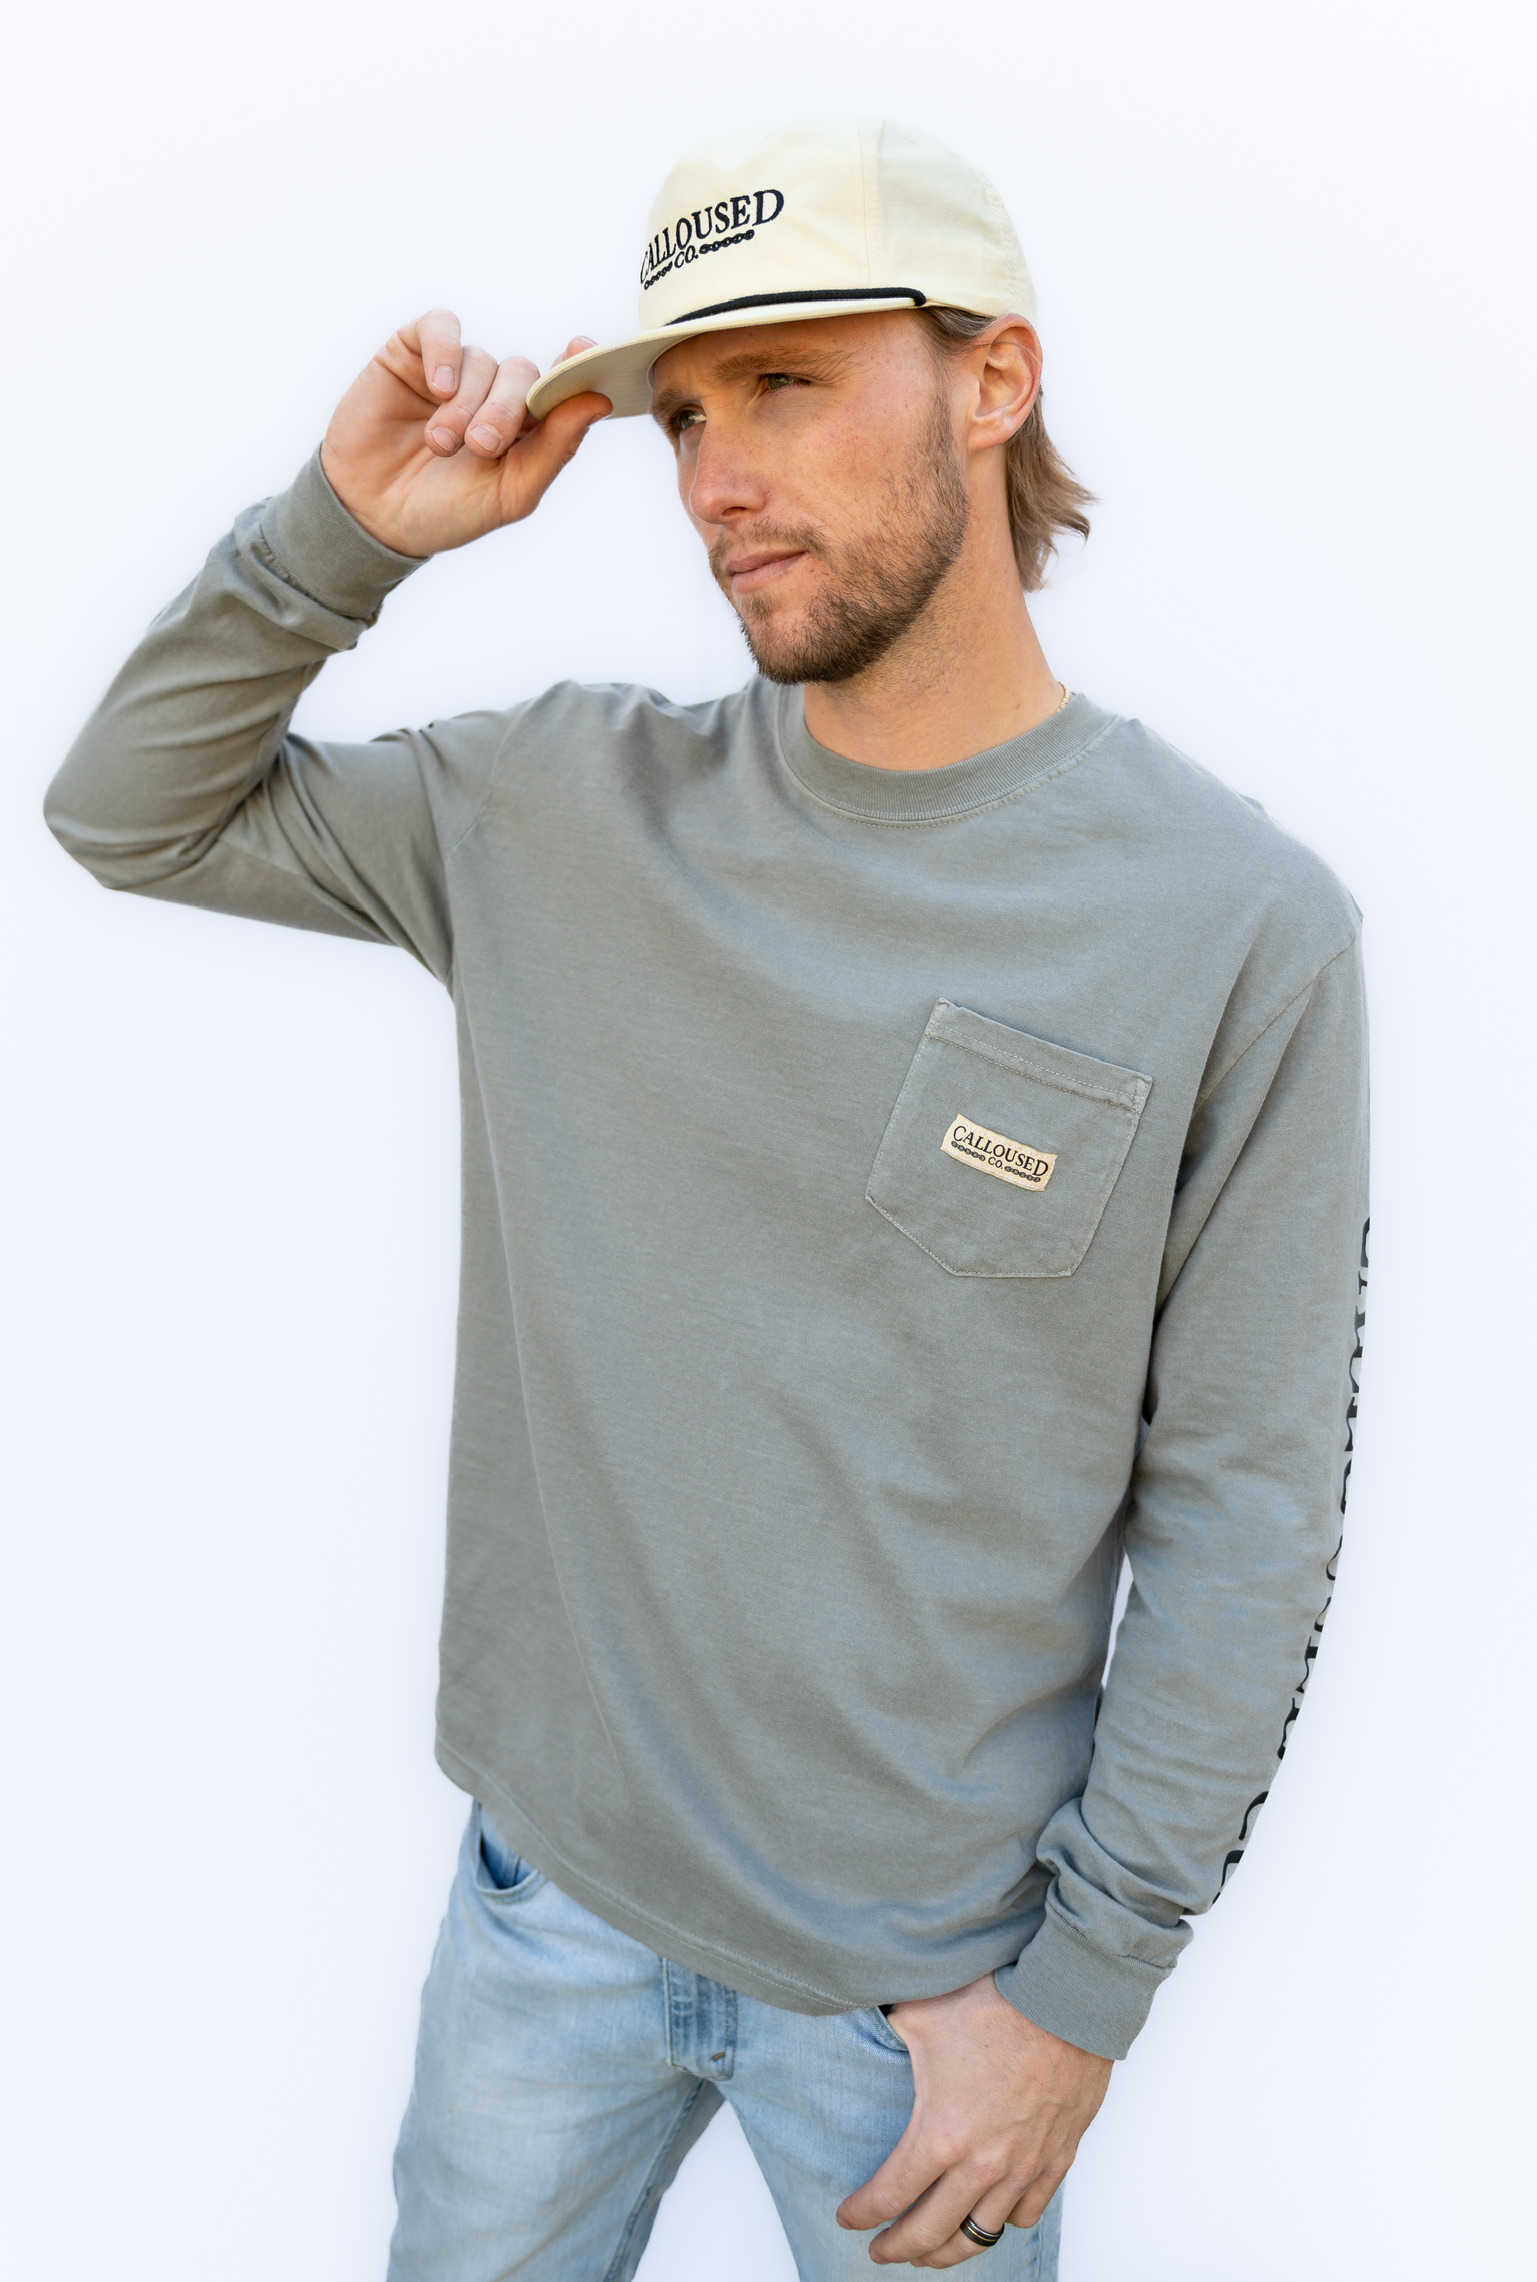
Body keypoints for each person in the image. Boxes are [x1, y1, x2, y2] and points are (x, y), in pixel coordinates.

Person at [45, 118, 1369, 2280]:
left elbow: (1248, 1507)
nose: (715, 476)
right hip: (541, 1912)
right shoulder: (556, 809)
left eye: (786, 386)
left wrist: (1079, 2011)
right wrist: (331, 547)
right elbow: (127, 813)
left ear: (993, 382)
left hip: (924, 2003)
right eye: (680, 415)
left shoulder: (1237, 925)